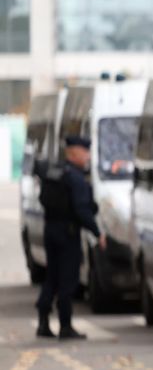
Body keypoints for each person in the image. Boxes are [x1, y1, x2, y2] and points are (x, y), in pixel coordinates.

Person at [36, 135, 105, 339]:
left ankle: (43, 322)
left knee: (52, 278)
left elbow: (43, 200)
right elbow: (82, 209)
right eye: (85, 153)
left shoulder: (55, 172)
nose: (88, 157)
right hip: (68, 235)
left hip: (51, 231)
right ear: (74, 153)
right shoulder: (74, 177)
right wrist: (97, 232)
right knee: (68, 279)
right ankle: (65, 326)